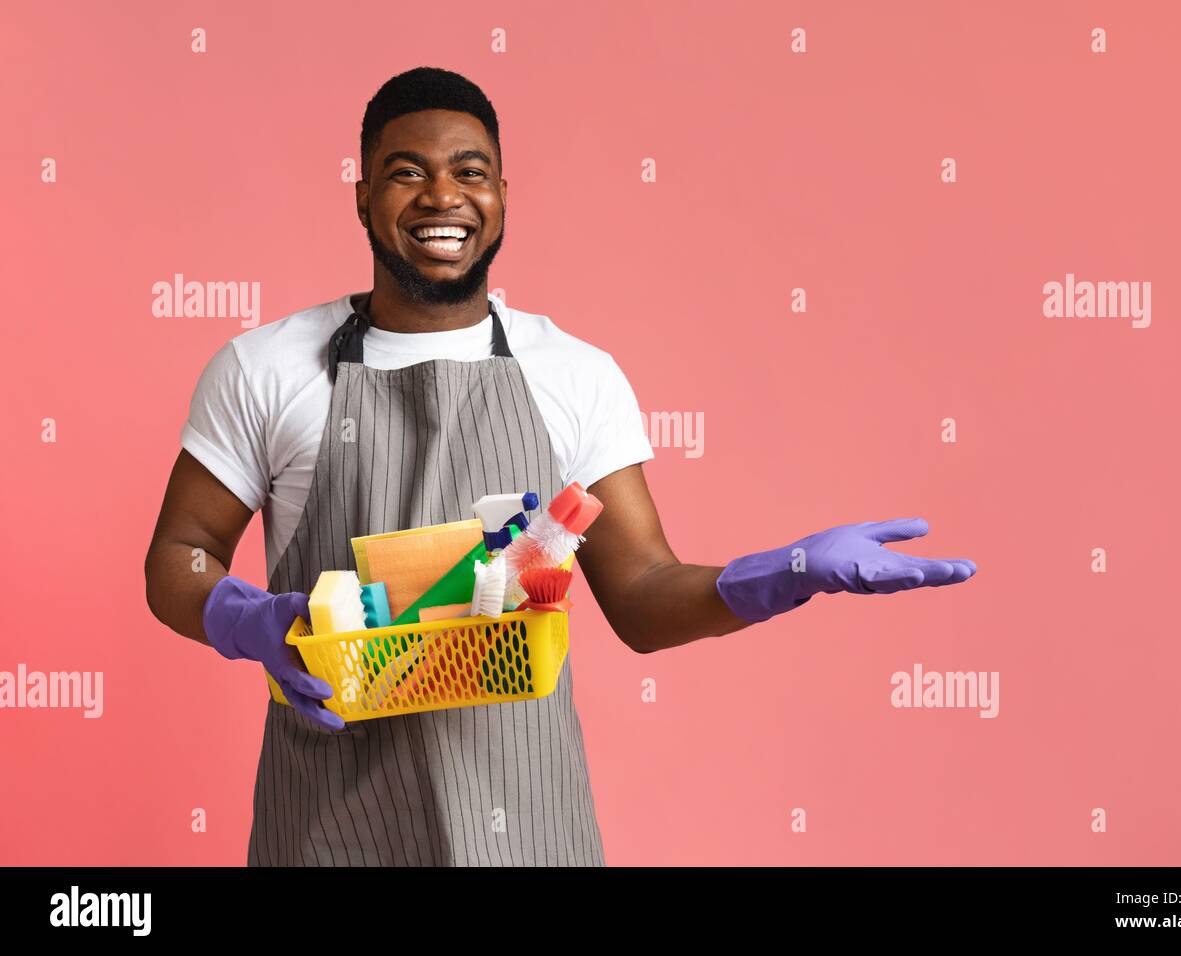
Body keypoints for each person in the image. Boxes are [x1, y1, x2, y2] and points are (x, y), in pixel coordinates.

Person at [143, 66, 977, 867]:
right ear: (362, 194)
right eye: (407, 172)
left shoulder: (575, 374)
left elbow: (644, 597)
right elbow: (179, 551)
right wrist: (241, 617)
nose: (442, 196)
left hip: (529, 831)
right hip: (326, 832)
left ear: (502, 196)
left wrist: (783, 574)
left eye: (471, 171)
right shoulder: (265, 367)